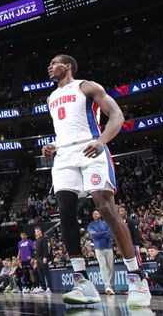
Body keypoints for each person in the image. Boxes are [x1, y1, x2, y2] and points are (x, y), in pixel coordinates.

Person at [42, 55, 150, 307]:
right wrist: (52, 146)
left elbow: (117, 116)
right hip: (64, 155)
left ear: (68, 66)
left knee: (105, 209)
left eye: (54, 62)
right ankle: (83, 283)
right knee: (65, 212)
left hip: (91, 148)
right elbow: (64, 129)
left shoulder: (87, 86)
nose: (50, 66)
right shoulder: (50, 98)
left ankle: (136, 279)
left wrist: (101, 142)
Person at [87, 209, 115, 294]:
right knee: (103, 267)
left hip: (108, 247)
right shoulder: (90, 225)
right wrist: (104, 233)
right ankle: (107, 286)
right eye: (94, 214)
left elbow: (110, 234)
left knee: (111, 267)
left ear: (100, 214)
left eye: (97, 213)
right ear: (92, 216)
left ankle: (111, 285)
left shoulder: (106, 223)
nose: (96, 215)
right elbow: (94, 236)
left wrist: (99, 233)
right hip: (98, 249)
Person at [33, 226, 52, 293]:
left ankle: (49, 287)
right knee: (40, 273)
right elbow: (36, 250)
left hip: (42, 257)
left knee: (46, 273)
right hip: (38, 258)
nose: (37, 232)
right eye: (36, 231)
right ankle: (43, 287)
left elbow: (46, 249)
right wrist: (35, 259)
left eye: (38, 231)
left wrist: (45, 257)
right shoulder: (36, 240)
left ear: (40, 231)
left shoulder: (44, 238)